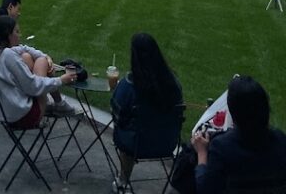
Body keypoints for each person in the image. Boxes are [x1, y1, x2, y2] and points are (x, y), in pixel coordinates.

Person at [110, 32, 183, 190]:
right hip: (167, 143)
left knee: (125, 130)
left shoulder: (129, 84)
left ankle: (123, 180)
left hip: (136, 144)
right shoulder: (174, 84)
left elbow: (117, 115)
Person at [192, 76, 286, 194]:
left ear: (233, 112)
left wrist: (201, 152)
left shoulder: (222, 147)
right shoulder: (280, 140)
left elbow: (204, 188)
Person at [0, 15, 79, 126]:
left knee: (28, 56)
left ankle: (59, 104)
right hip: (24, 116)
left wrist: (46, 56)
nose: (20, 36)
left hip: (6, 115)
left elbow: (23, 48)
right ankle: (60, 104)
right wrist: (61, 80)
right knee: (41, 61)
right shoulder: (8, 55)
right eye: (17, 32)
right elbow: (33, 87)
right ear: (8, 34)